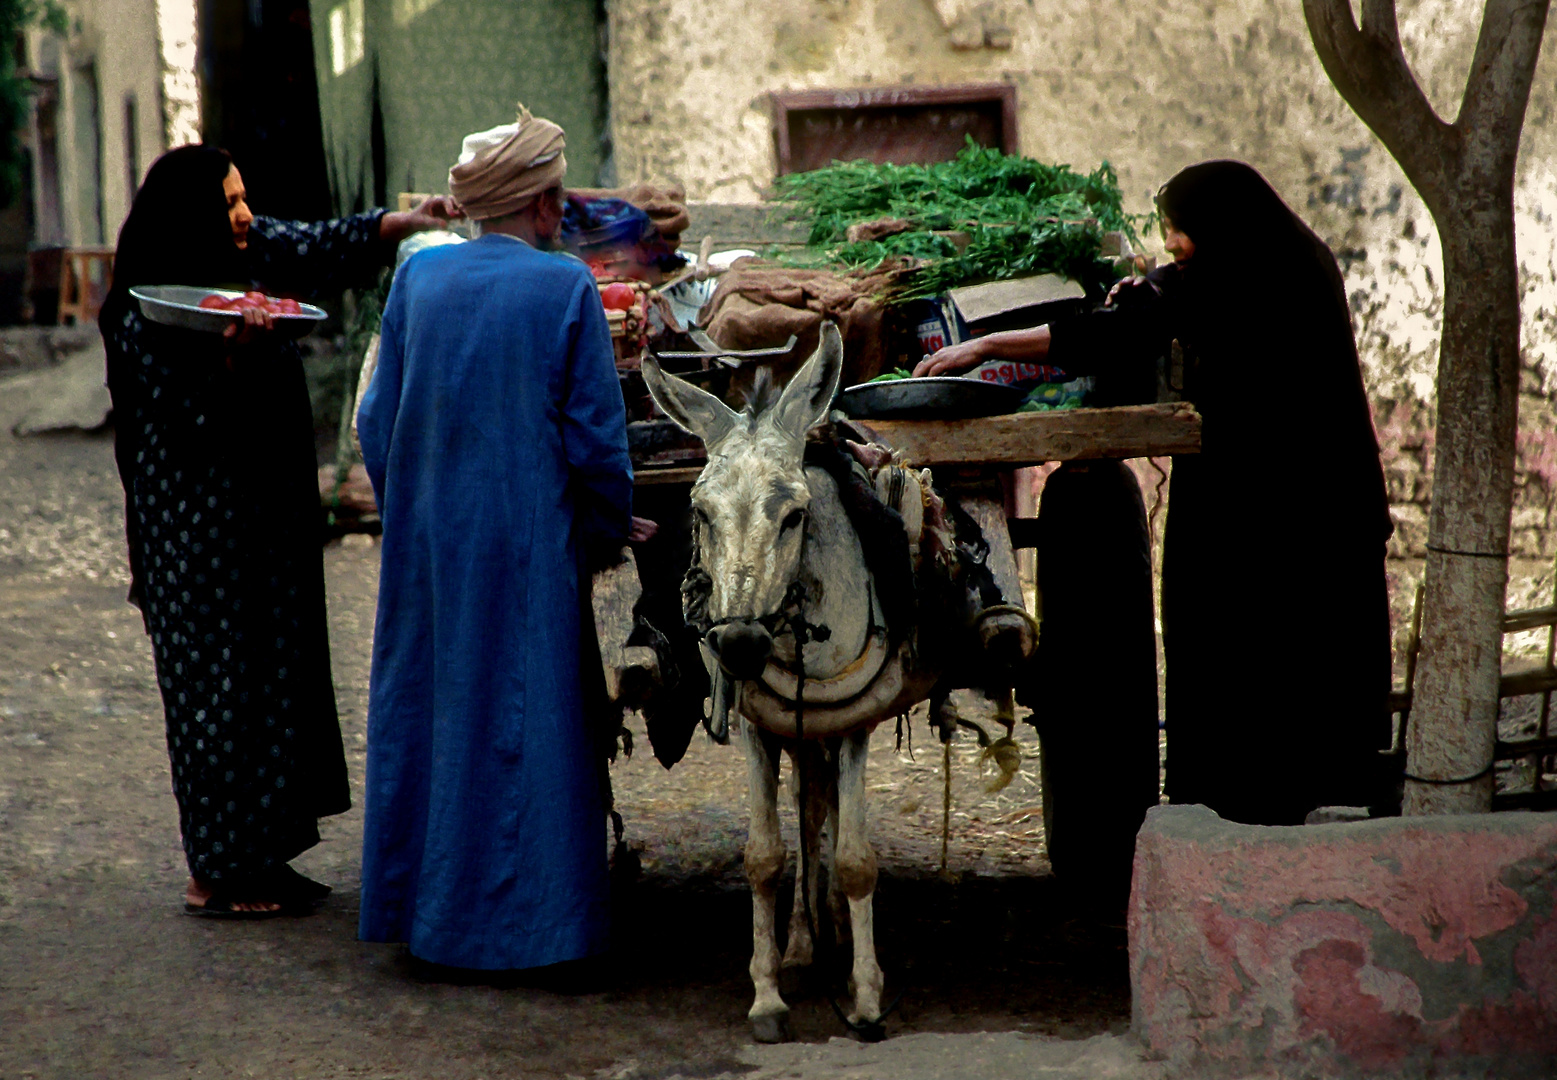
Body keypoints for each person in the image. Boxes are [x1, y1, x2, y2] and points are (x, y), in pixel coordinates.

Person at [917, 160, 1393, 826]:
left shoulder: (1249, 275)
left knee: (1247, 636)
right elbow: (1167, 304)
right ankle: (1301, 790)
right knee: (1297, 645)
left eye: (1177, 231)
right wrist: (1150, 290)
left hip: (1272, 503)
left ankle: (1252, 801)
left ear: (1215, 225)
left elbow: (1124, 327)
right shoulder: (1286, 257)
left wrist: (987, 344)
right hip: (1306, 495)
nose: (1170, 244)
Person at [100, 145, 458, 916]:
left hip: (263, 526)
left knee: (273, 678)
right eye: (228, 201)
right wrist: (235, 362)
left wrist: (410, 221)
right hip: (195, 539)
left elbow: (320, 239)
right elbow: (186, 421)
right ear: (190, 213)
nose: (243, 213)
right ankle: (216, 872)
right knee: (214, 694)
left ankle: (260, 856)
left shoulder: (247, 250)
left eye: (243, 197)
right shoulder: (143, 312)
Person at [356, 106, 639, 971]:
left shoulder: (418, 282)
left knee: (436, 710)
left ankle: (428, 917)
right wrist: (600, 529)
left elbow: (375, 420)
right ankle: (540, 933)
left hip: (430, 548)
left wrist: (420, 508)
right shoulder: (564, 288)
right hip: (525, 545)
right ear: (547, 205)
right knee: (533, 719)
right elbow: (598, 442)